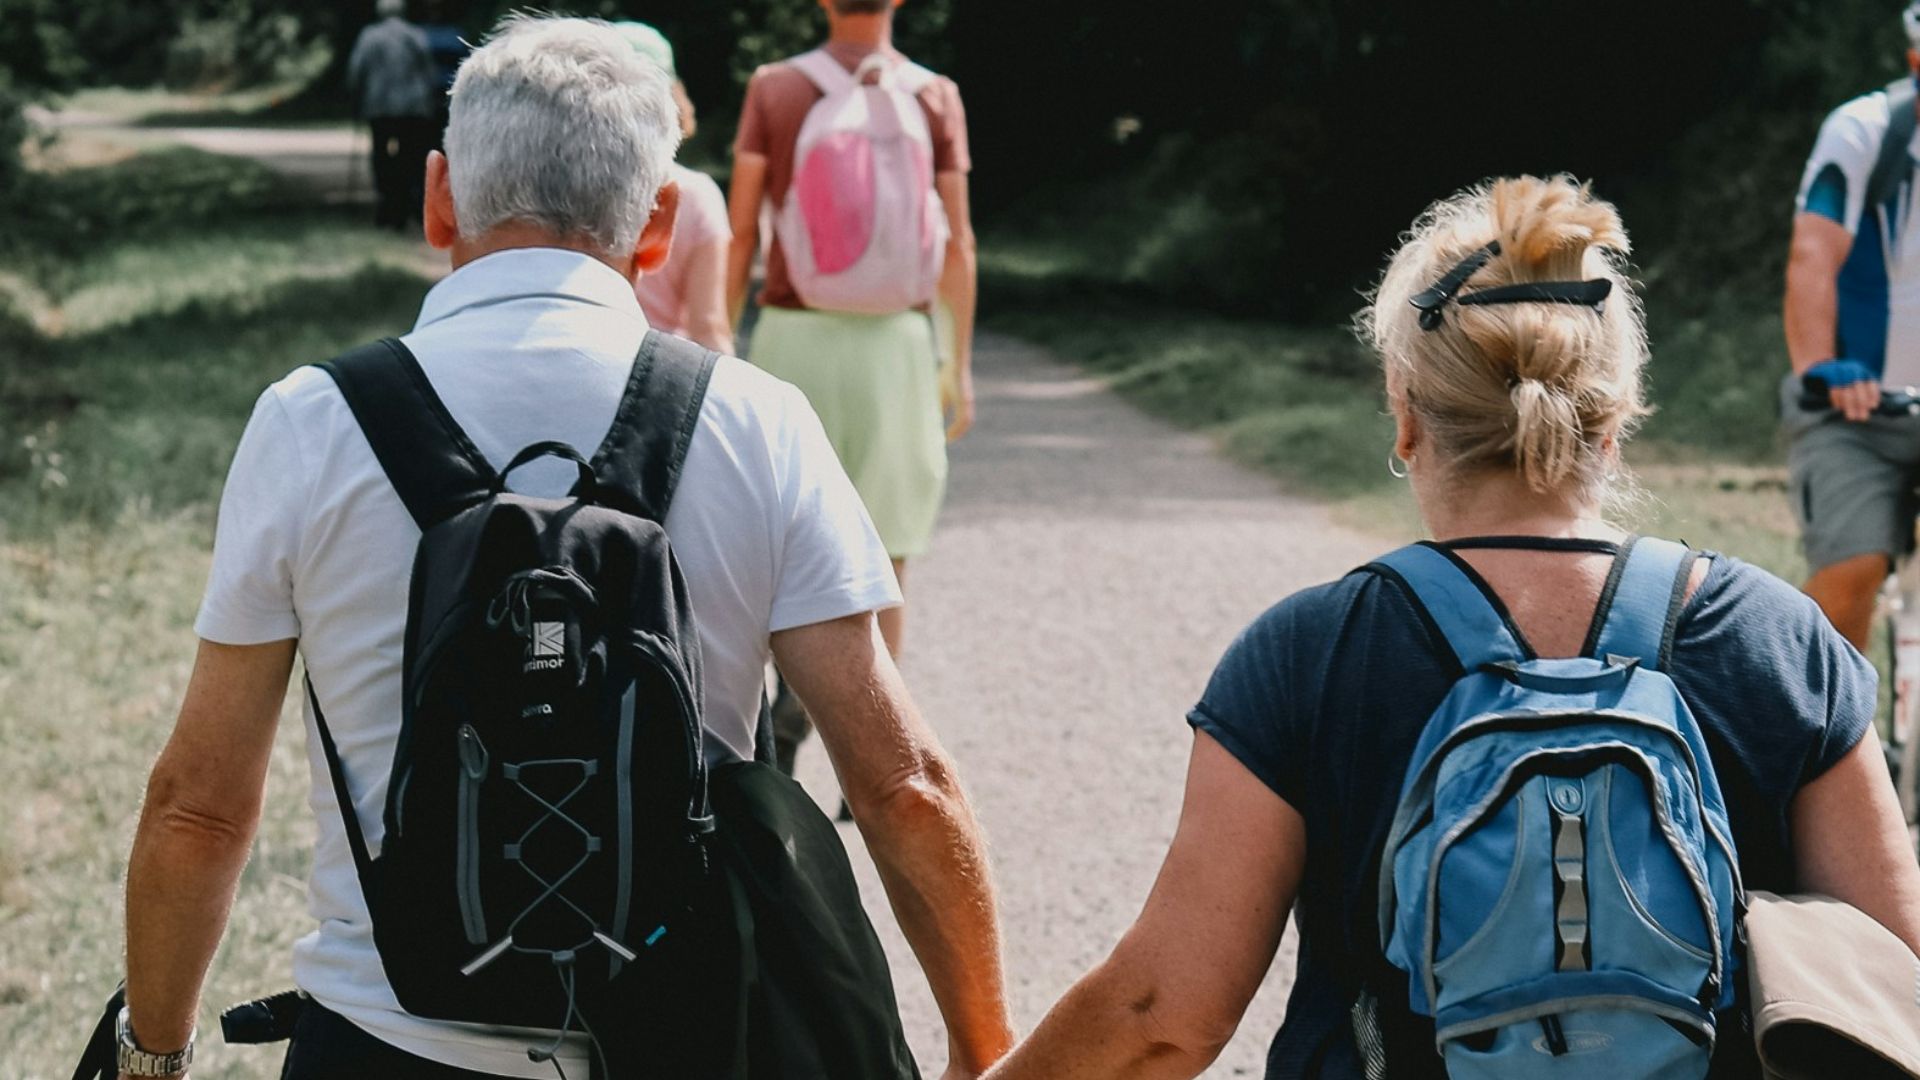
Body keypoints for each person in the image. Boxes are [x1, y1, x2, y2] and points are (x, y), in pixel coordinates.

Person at [117, 16, 1012, 1079]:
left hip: (386, 1040)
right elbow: (903, 784)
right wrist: (980, 1047)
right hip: (690, 1041)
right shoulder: (753, 419)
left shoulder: (310, 421)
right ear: (659, 226)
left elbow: (200, 806)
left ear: (439, 195)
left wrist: (154, 1053)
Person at [982, 176, 1920, 1080]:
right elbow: (1897, 982)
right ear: (1618, 417)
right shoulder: (1778, 638)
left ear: (1404, 415)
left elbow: (1164, 1017)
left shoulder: (1307, 654)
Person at [728, 0, 978, 773]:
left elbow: (743, 230)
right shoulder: (934, 94)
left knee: (768, 545)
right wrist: (957, 364)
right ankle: (875, 762)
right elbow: (958, 241)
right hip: (898, 346)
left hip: (793, 341)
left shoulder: (774, 87)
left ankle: (764, 740)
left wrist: (720, 334)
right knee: (888, 553)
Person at [1782, 1, 1920, 650]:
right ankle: (1821, 742)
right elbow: (1813, 254)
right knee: (1849, 577)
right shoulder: (1864, 131)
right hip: (1855, 412)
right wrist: (1820, 367)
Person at [616, 20, 735, 353]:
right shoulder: (695, 194)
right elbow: (708, 325)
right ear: (672, 93)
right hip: (664, 378)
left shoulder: (567, 187)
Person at [347, 0, 441, 231]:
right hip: (413, 108)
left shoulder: (370, 36)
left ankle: (388, 204)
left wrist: (355, 96)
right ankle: (409, 205)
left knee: (382, 156)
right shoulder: (415, 35)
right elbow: (429, 71)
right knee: (410, 156)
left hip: (380, 107)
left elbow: (356, 70)